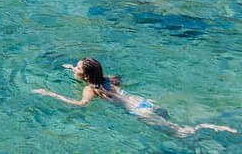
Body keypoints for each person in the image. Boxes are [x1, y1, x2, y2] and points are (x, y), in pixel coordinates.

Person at [34, 57, 236, 138]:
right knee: (174, 123)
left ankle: (210, 128)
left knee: (182, 133)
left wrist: (50, 93)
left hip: (140, 111)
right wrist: (73, 69)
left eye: (76, 67)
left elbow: (80, 105)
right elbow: (112, 79)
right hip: (145, 101)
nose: (74, 68)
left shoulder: (92, 89)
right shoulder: (108, 80)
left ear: (85, 76)